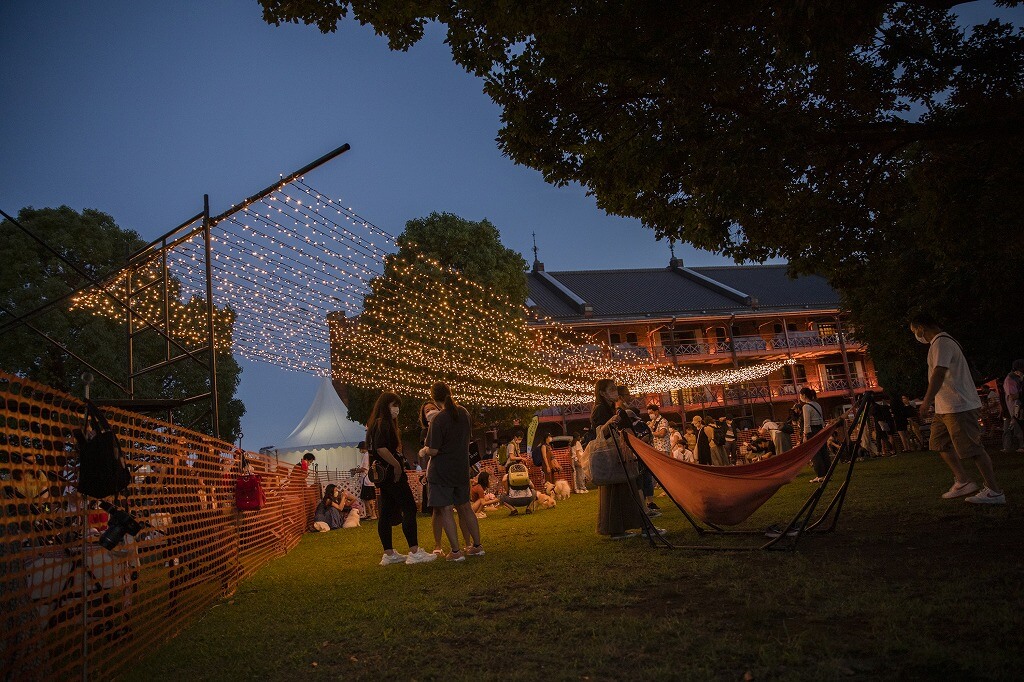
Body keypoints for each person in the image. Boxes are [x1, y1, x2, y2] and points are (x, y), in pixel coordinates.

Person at [909, 313, 1005, 504]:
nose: (916, 335)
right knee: (938, 443)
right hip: (945, 407)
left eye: (914, 331)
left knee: (973, 449)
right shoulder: (938, 343)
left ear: (921, 328)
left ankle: (994, 491)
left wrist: (927, 400)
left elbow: (939, 372)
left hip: (958, 405)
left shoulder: (942, 342)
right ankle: (963, 481)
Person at [365, 392, 437, 565]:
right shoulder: (383, 423)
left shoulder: (374, 424)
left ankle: (389, 553)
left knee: (385, 512)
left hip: (383, 476)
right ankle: (414, 551)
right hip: (392, 474)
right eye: (394, 405)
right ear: (386, 406)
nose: (396, 409)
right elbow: (381, 448)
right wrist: (397, 465)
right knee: (409, 507)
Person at [422, 382, 484, 561]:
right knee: (466, 508)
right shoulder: (464, 413)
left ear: (434, 398)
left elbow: (433, 450)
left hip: (442, 471)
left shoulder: (438, 419)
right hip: (461, 468)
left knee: (446, 509)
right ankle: (477, 546)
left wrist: (424, 450)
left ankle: (455, 552)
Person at [592, 378, 650, 539]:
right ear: (602, 393)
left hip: (616, 456)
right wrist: (611, 423)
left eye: (615, 389)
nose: (615, 392)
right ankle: (635, 527)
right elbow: (600, 433)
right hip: (612, 456)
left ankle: (618, 528)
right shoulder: (600, 410)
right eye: (611, 389)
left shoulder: (611, 408)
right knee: (624, 489)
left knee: (618, 493)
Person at [799, 387, 828, 482]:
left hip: (812, 431)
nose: (800, 397)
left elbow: (807, 423)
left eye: (800, 395)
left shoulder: (806, 407)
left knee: (815, 453)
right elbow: (821, 418)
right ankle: (827, 474)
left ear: (804, 395)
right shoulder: (817, 404)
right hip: (820, 429)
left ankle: (820, 475)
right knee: (823, 451)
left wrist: (805, 435)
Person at [1002, 359, 1024, 453]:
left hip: (1017, 407)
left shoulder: (1018, 378)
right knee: (1018, 427)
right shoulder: (1010, 379)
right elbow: (1013, 396)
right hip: (1015, 408)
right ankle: (1021, 446)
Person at [356, 441, 377, 520]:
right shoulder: (368, 455)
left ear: (362, 448)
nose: (359, 450)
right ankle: (370, 513)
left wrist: (356, 471)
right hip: (368, 480)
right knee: (366, 498)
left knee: (369, 499)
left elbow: (364, 468)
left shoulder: (366, 455)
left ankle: (373, 514)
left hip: (367, 480)